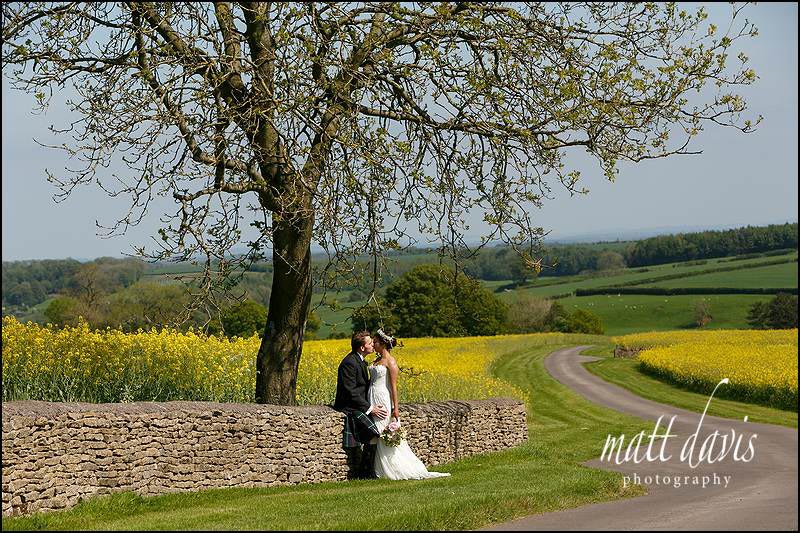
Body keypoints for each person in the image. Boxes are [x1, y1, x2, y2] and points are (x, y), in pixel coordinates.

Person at [368, 328, 451, 480]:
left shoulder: (391, 362)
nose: (373, 344)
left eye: (375, 342)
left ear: (383, 344)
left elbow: (394, 387)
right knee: (376, 433)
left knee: (382, 432)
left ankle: (391, 468)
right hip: (372, 398)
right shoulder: (376, 360)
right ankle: (377, 468)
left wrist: (395, 408)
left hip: (383, 399)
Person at [333, 331, 389, 479]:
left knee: (374, 435)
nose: (373, 345)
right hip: (349, 407)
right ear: (362, 348)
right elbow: (350, 391)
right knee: (374, 433)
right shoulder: (349, 363)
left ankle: (366, 472)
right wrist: (370, 409)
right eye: (370, 343)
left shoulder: (360, 360)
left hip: (358, 406)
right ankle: (365, 473)